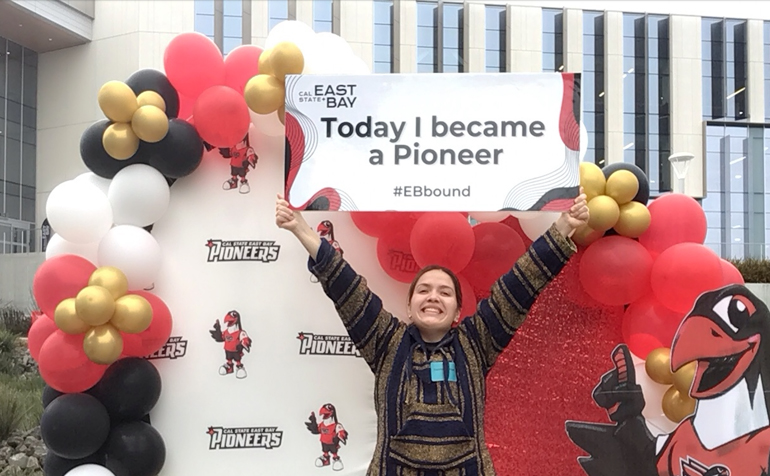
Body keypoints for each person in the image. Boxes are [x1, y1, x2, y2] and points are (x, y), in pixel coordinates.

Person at [275, 191, 589, 476]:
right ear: (410, 308)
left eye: (444, 292)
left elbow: (519, 288)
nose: (433, 297)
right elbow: (347, 289)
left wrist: (563, 226)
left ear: (456, 310)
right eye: (423, 290)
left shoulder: (475, 342)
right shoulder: (386, 342)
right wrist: (300, 228)